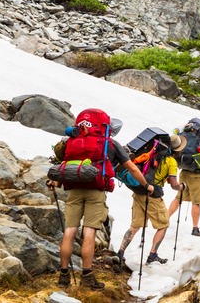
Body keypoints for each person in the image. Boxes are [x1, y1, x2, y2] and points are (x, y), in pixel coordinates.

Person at [53, 110, 154, 289]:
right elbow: (132, 168)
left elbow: (67, 163)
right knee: (89, 231)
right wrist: (146, 185)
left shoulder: (73, 141)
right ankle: (87, 276)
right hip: (96, 191)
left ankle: (63, 276)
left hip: (74, 189)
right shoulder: (110, 144)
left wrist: (55, 180)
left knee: (69, 231)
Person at [116, 134, 187, 265]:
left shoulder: (152, 153)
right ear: (177, 150)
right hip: (153, 195)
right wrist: (181, 187)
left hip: (139, 191)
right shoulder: (171, 161)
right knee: (163, 225)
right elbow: (173, 184)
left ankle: (120, 253)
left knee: (135, 225)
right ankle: (153, 254)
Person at [168, 119, 200, 237]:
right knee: (196, 202)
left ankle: (165, 219)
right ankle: (195, 228)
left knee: (178, 198)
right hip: (199, 175)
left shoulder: (192, 136)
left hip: (184, 171)